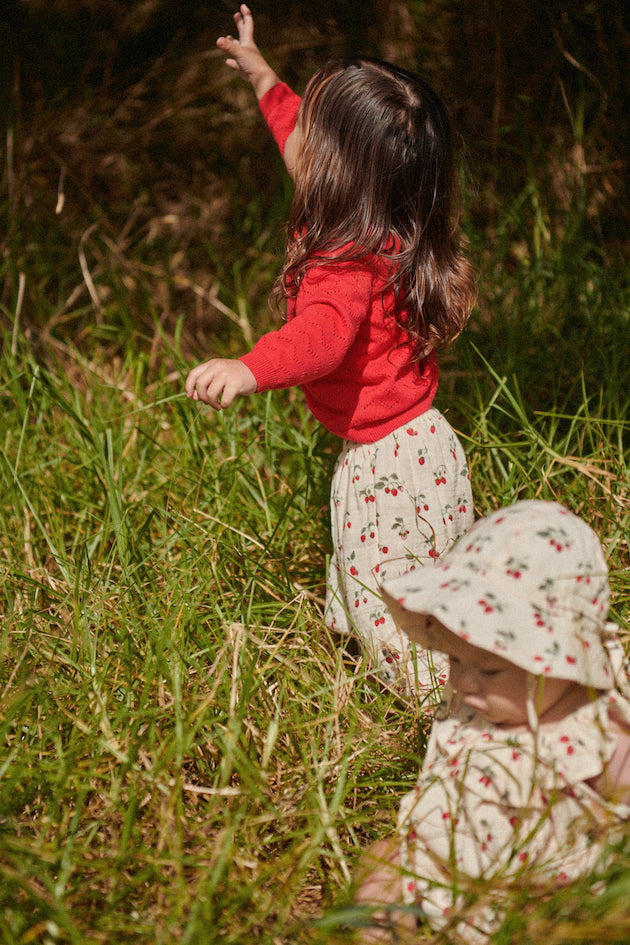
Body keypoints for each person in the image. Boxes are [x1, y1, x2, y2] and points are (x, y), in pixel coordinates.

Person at [185, 5, 476, 698]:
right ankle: (453, 661)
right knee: (418, 582)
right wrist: (263, 79)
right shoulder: (383, 218)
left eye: (315, 134)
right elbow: (297, 140)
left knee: (395, 616)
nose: (300, 142)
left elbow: (316, 342)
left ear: (337, 170)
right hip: (430, 449)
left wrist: (248, 366)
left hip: (385, 472)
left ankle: (459, 713)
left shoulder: (343, 266)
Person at [353, 500, 630, 943]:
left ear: (559, 661)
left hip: (541, 890)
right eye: (453, 659)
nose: (461, 681)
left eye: (490, 670)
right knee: (381, 859)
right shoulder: (476, 705)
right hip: (444, 863)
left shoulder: (592, 732)